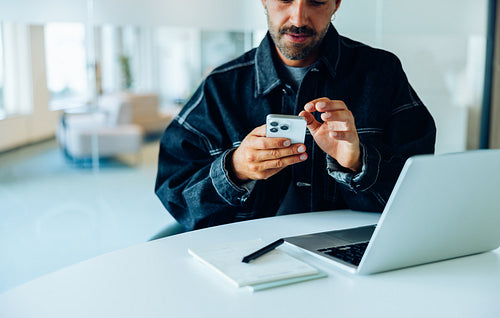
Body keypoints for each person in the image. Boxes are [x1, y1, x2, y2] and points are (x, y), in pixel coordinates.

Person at [154, 0, 436, 232]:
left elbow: (420, 192)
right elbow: (175, 193)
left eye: (316, 2)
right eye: (285, 0)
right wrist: (235, 169)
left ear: (336, 4)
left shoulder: (381, 73)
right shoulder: (221, 87)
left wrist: (358, 162)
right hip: (247, 257)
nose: (298, 18)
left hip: (353, 259)